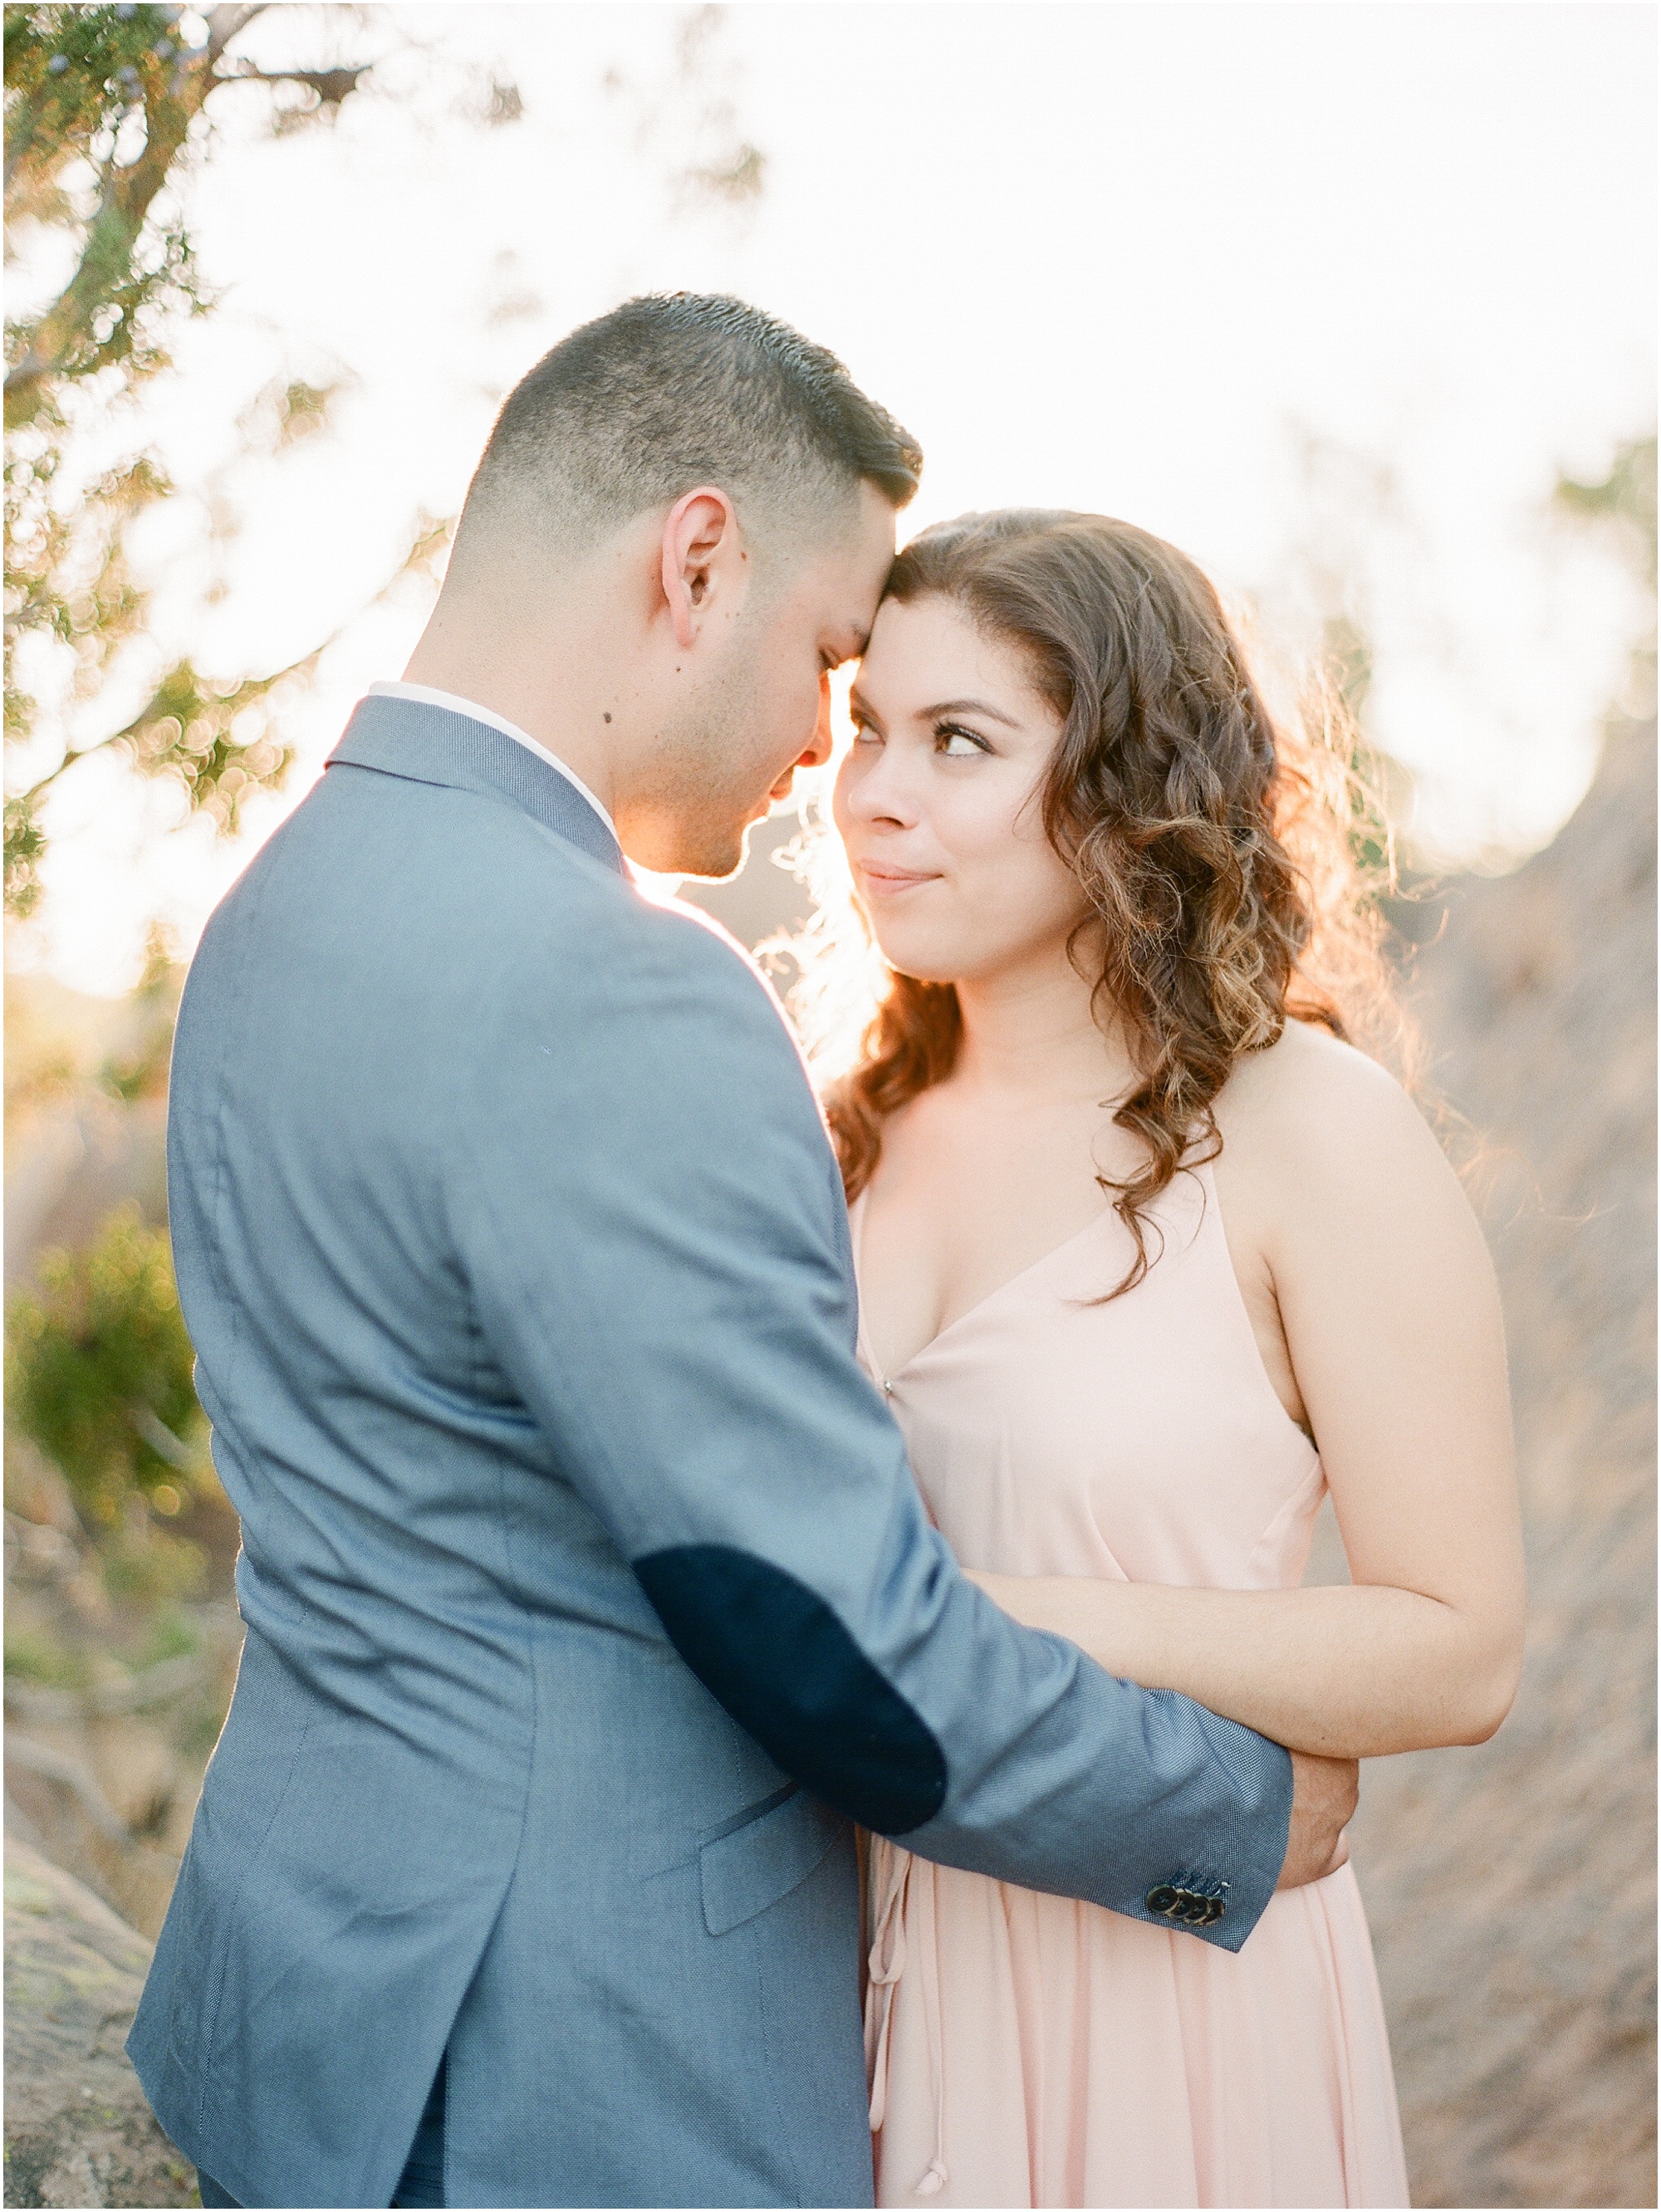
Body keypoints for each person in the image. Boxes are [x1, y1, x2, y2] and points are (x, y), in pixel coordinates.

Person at [125, 301, 1356, 2211]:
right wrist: (1235, 1824)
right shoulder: (619, 988)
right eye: (831, 659)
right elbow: (826, 1639)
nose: (820, 749)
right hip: (580, 2076)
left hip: (298, 2005)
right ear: (695, 559)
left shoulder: (277, 911)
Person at [822, 509, 1526, 2209]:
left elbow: (1456, 1652)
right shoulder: (833, 1140)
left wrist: (1006, 1618)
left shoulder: (1304, 1129)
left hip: (1168, 1996)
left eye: (958, 742)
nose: (870, 794)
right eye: (864, 728)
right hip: (840, 1990)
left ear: (1126, 782)